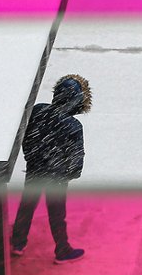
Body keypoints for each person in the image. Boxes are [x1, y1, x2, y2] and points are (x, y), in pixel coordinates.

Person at [10, 74, 92, 264]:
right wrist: (67, 173)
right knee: (57, 214)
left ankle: (18, 242)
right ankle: (62, 249)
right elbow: (77, 160)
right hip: (57, 177)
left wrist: (32, 159)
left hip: (35, 170)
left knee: (27, 206)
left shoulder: (38, 111)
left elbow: (26, 138)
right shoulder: (73, 126)